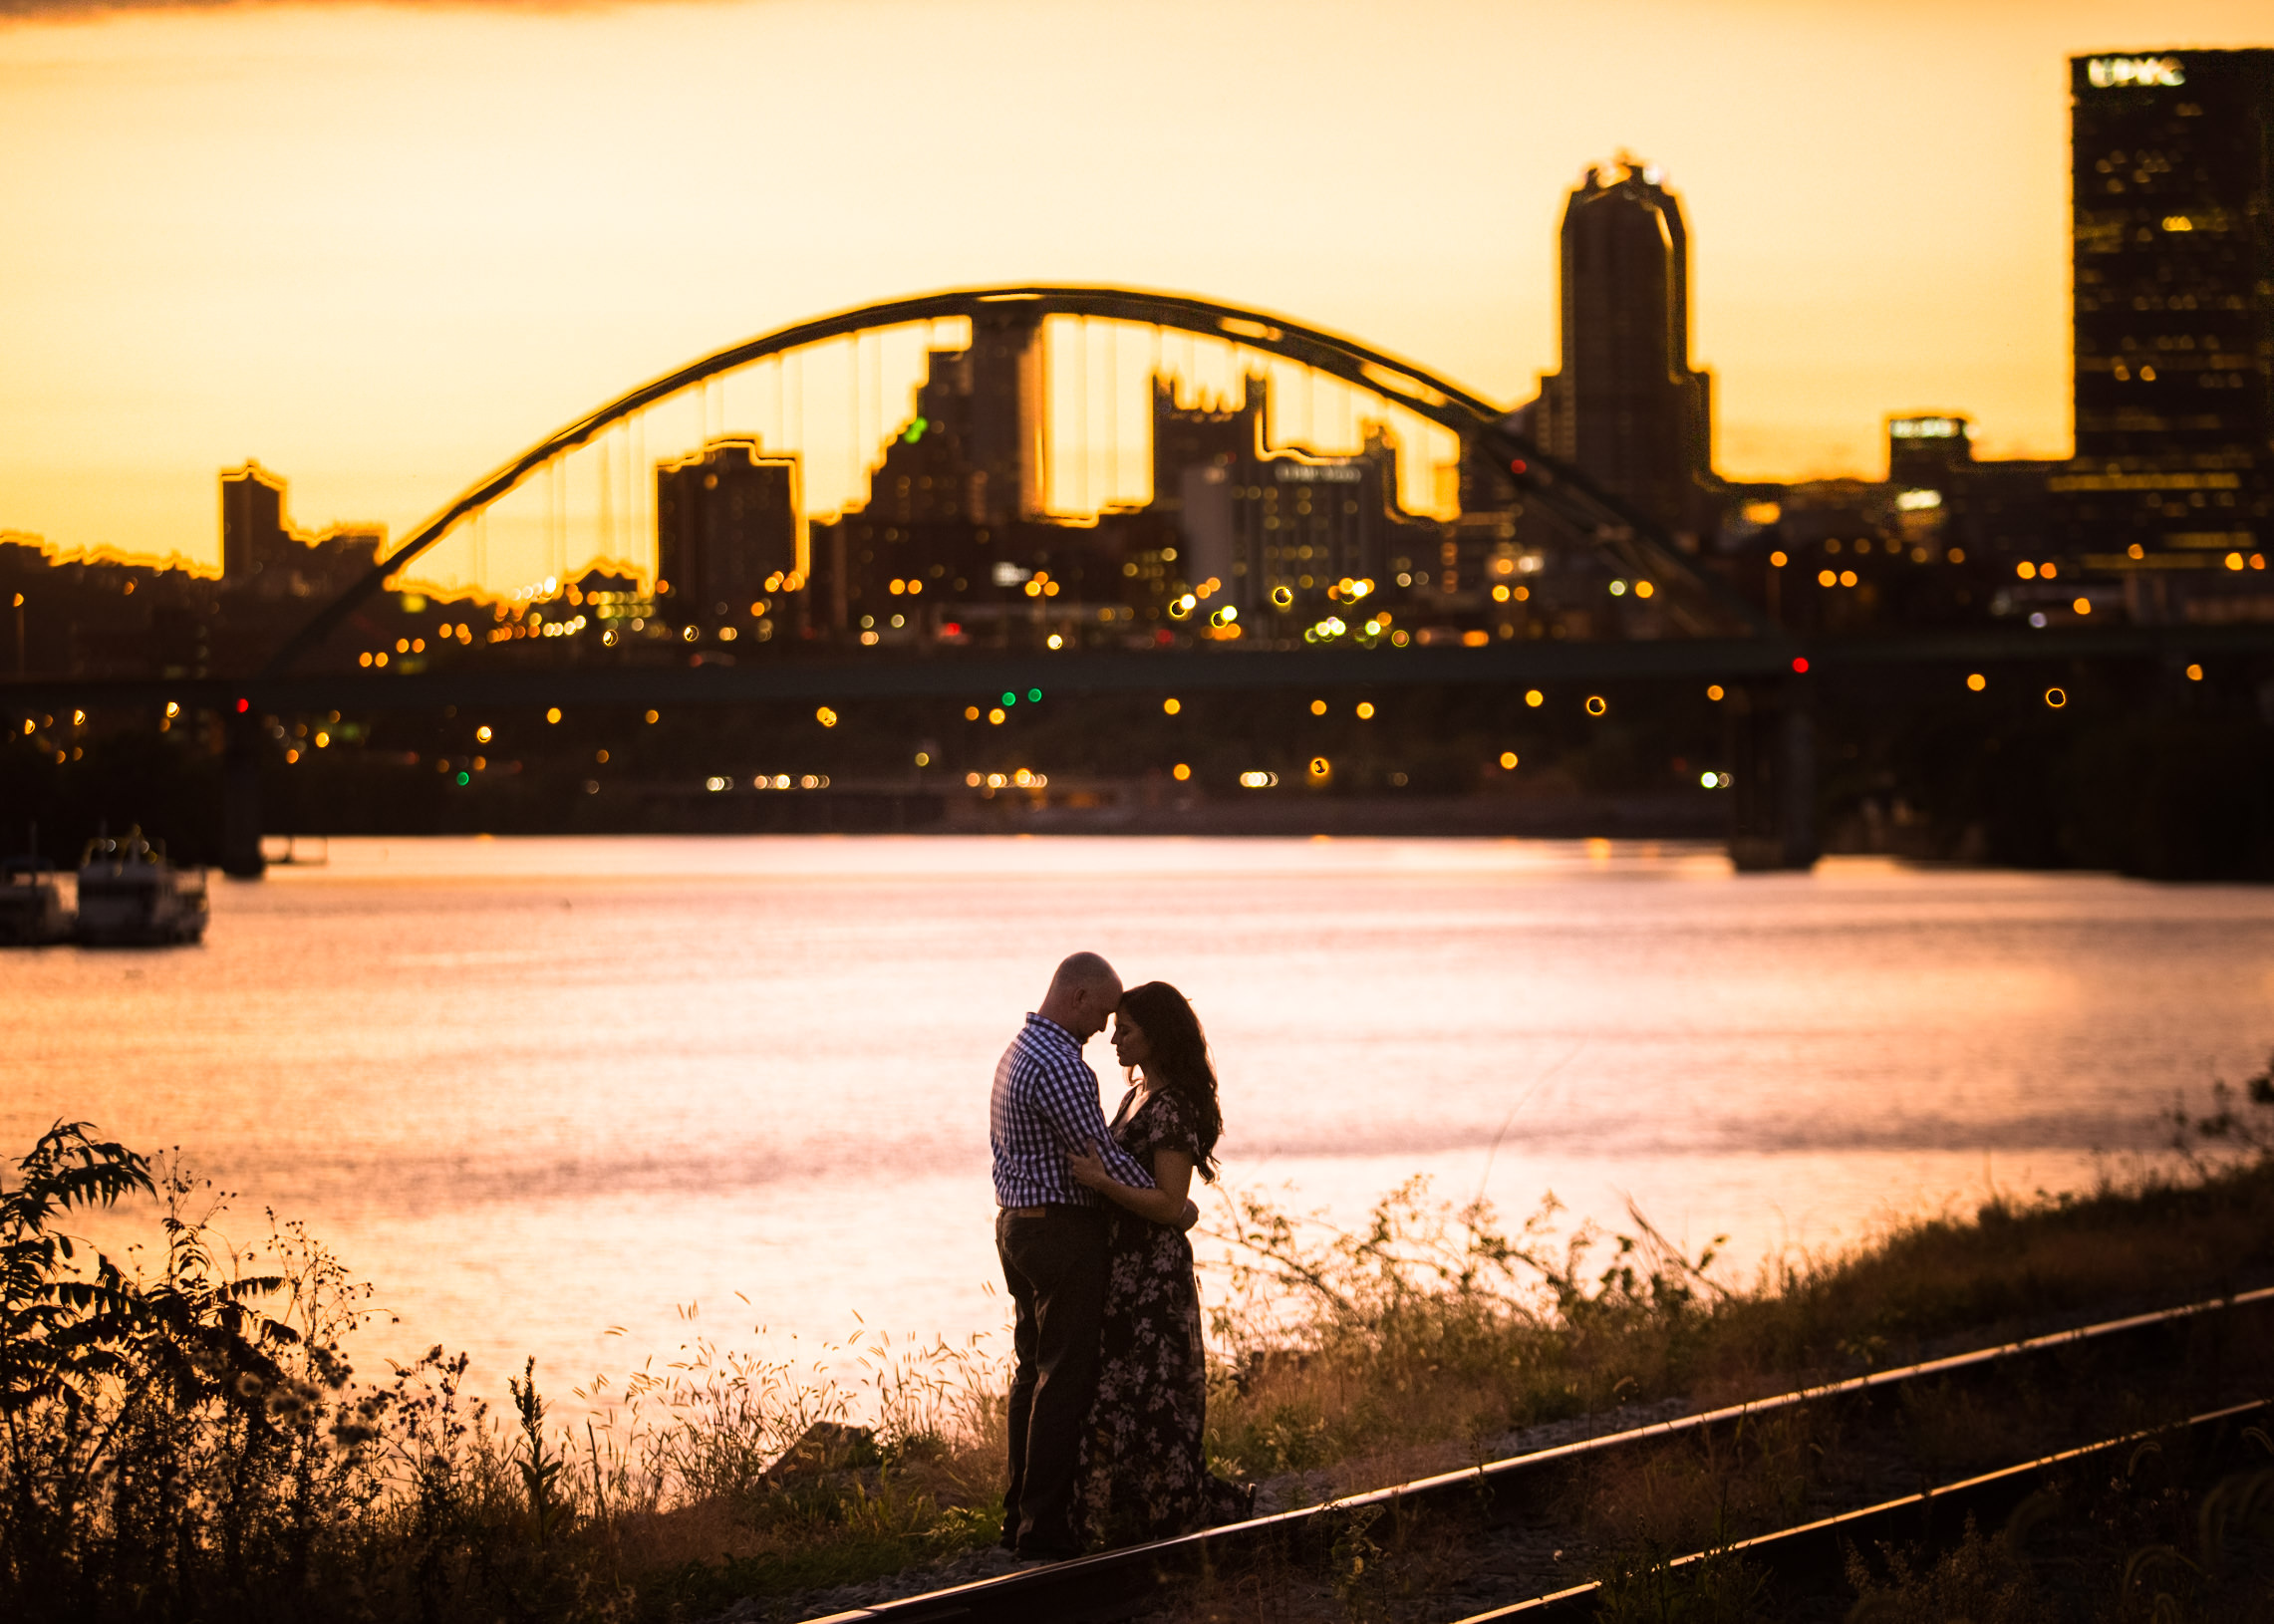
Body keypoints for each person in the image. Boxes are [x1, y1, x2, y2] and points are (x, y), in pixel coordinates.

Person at [990, 951, 1199, 1563]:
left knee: (1033, 1373)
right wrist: (1175, 1207)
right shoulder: (1063, 1068)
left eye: (1119, 1022)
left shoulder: (1017, 1051)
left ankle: (1018, 1518)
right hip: (1059, 1235)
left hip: (1017, 1227)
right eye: (1103, 1014)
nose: (1103, 1030)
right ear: (1077, 998)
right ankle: (1044, 1527)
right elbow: (1102, 1157)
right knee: (1065, 1380)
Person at [1065, 979, 1250, 1546]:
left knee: (1155, 1397)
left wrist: (1098, 1180)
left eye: (1127, 1030)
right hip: (1123, 1272)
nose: (1113, 1038)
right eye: (1115, 1027)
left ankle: (1167, 1515)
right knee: (1118, 1393)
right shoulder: (1138, 1093)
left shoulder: (1173, 1107)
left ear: (1157, 1036)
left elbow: (1169, 1203)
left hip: (1151, 1277)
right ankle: (1122, 1519)